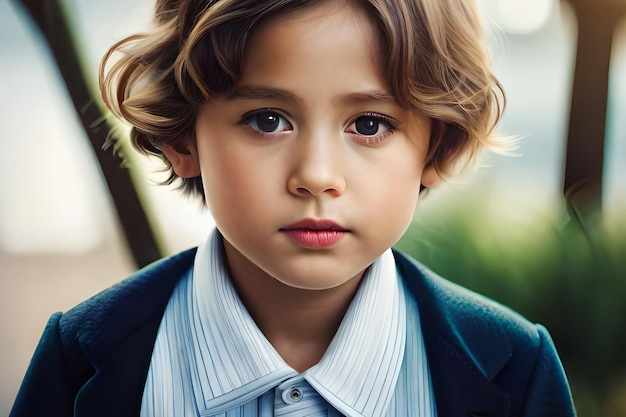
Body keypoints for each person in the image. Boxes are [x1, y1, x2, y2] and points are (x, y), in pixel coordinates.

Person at [10, 0, 577, 416]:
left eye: (369, 125)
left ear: (437, 145)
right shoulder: (82, 356)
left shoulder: (515, 368)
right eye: (267, 120)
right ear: (184, 140)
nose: (316, 176)